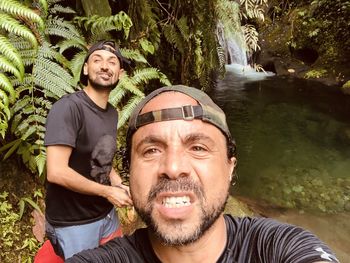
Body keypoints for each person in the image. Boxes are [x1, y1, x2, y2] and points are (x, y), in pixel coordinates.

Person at [66, 85, 339, 263]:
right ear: (129, 173)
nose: (173, 169)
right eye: (151, 151)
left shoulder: (277, 248)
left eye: (197, 147)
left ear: (230, 167)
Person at [42, 40, 133, 260]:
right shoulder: (68, 108)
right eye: (97, 60)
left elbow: (102, 159)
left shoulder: (112, 113)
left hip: (106, 215)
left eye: (112, 62)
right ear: (85, 68)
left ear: (119, 74)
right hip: (74, 223)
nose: (105, 66)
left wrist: (118, 183)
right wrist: (108, 192)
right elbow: (56, 171)